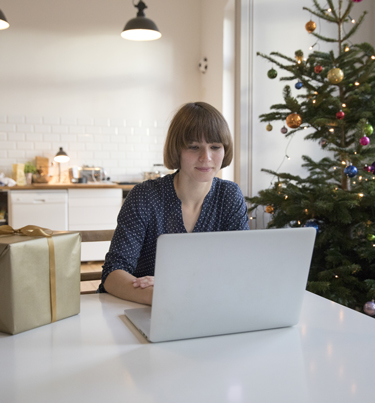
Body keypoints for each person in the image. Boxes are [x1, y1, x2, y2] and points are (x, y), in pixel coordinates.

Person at [99, 102, 249, 304]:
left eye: (215, 147)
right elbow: (112, 274)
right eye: (194, 147)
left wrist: (178, 292)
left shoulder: (230, 196)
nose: (206, 157)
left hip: (208, 309)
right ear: (176, 149)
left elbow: (239, 269)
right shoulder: (144, 196)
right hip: (142, 309)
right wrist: (165, 296)